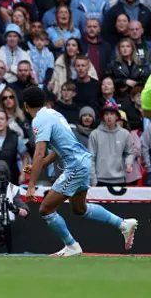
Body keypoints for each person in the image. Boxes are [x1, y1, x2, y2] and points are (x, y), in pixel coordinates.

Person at [23, 85, 138, 257]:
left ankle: (72, 246)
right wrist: (38, 166)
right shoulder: (53, 113)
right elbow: (55, 151)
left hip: (76, 166)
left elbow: (39, 153)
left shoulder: (39, 120)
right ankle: (123, 224)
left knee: (45, 209)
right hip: (82, 162)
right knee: (79, 209)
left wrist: (31, 184)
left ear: (25, 105)